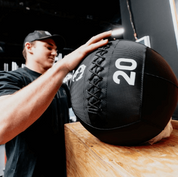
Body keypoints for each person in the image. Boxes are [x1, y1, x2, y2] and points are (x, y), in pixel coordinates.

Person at [0, 30, 111, 177]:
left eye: (56, 50)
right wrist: (63, 66)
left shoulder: (61, 86)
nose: (54, 53)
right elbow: (2, 125)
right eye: (48, 47)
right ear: (29, 47)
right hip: (26, 172)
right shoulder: (11, 78)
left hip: (61, 170)